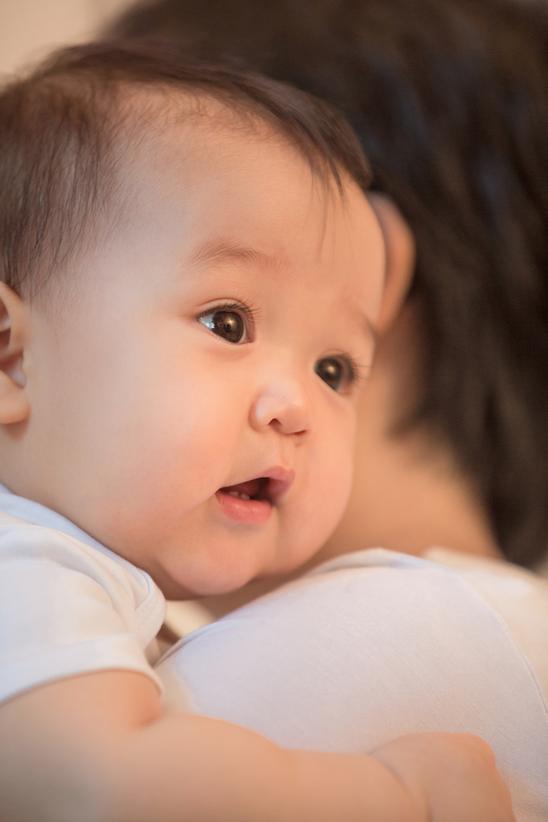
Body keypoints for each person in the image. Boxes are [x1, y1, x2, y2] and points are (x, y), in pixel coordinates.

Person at [0, 41, 515, 822]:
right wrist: (401, 795)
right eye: (228, 322)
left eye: (335, 370)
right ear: (10, 362)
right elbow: (101, 790)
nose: (297, 406)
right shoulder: (23, 570)